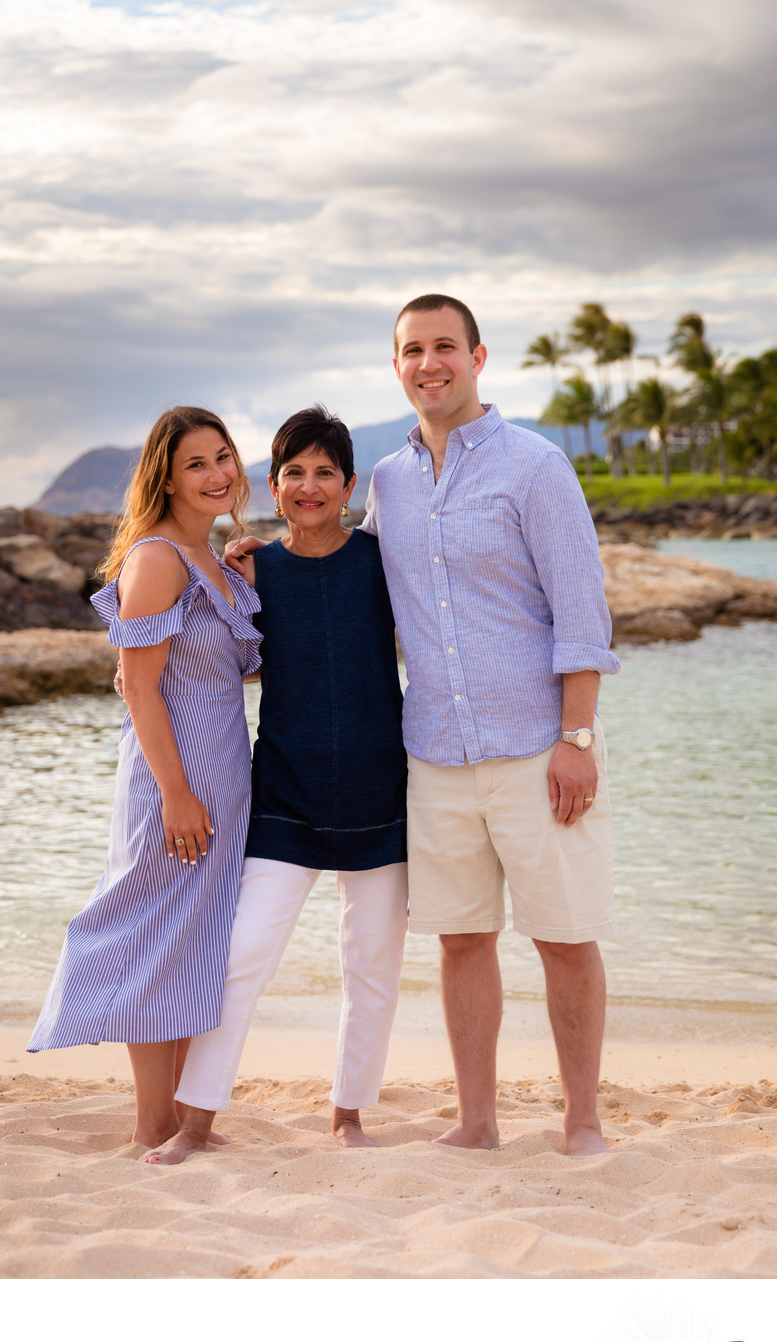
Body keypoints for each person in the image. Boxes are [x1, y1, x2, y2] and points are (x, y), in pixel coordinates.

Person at [363, 294, 620, 1156]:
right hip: (433, 750)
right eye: (411, 350)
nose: (427, 363)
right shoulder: (387, 480)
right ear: (395, 365)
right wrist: (263, 554)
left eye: (444, 346)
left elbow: (581, 612)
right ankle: (476, 1121)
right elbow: (358, 586)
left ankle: (580, 1118)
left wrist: (576, 738)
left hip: (537, 748)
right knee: (463, 939)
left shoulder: (536, 467)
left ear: (478, 357)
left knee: (564, 935)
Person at [145, 405, 408, 1164]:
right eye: (295, 471)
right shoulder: (250, 569)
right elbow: (196, 662)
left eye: (326, 472)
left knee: (371, 970)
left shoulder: (379, 561)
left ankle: (349, 1114)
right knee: (239, 959)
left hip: (379, 796)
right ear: (273, 483)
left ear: (351, 484)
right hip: (284, 796)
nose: (310, 485)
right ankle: (193, 1121)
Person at [27, 407, 262, 1150]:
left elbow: (242, 672)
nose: (217, 474)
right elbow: (138, 685)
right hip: (173, 788)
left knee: (193, 949)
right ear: (164, 475)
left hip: (222, 783)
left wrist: (251, 578)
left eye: (222, 457)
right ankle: (152, 1123)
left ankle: (176, 1119)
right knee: (150, 936)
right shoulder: (157, 557)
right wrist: (176, 792)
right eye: (197, 463)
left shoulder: (216, 562)